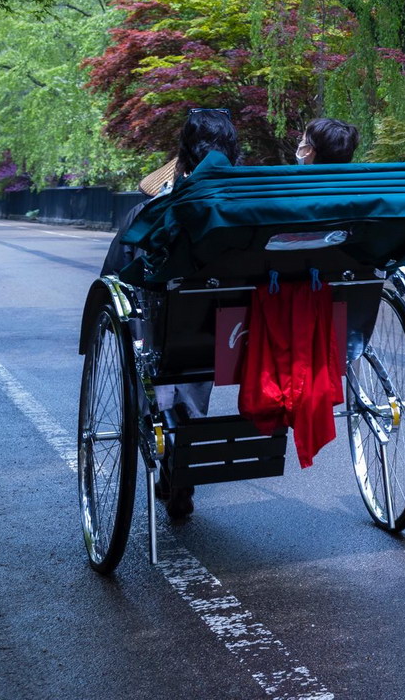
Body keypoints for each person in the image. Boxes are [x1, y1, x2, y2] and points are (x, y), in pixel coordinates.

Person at [102, 108, 242, 520]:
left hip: (167, 320)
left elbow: (113, 278)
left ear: (182, 154)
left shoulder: (154, 210)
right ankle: (185, 453)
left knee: (159, 355)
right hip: (232, 326)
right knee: (196, 371)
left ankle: (170, 457)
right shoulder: (251, 204)